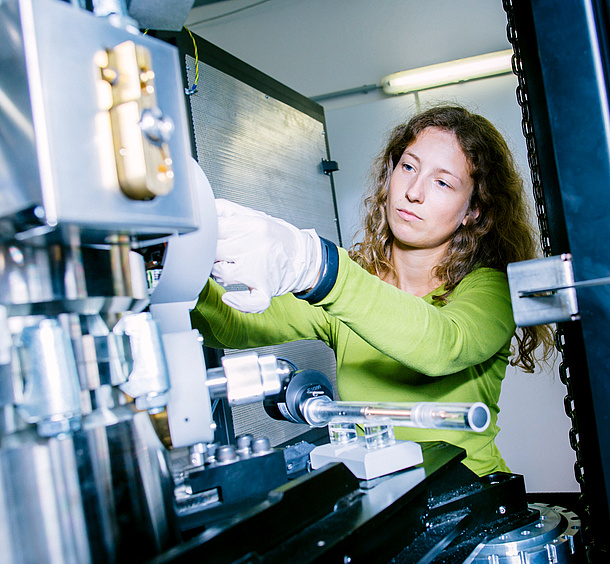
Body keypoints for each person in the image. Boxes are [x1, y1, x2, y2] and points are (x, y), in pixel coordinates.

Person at [190, 104, 552, 476]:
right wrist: (182, 266)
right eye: (408, 167)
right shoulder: (354, 283)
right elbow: (233, 325)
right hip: (384, 500)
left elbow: (442, 345)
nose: (413, 192)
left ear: (473, 210)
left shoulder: (490, 288)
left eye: (442, 182)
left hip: (472, 497)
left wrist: (319, 268)